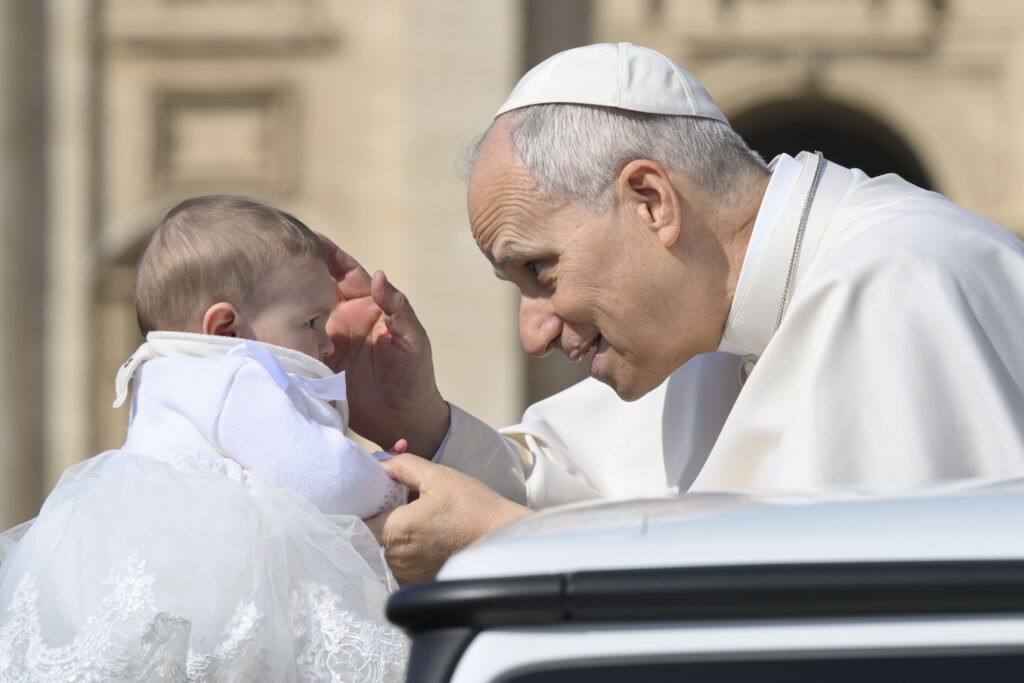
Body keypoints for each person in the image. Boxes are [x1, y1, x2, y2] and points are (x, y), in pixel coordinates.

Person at [332, 43, 1024, 585]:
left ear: (653, 200)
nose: (534, 332)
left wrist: (507, 547)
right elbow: (583, 496)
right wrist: (419, 419)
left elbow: (863, 614)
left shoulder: (900, 284)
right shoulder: (720, 322)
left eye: (539, 270)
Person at [0, 196, 408, 681]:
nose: (327, 342)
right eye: (312, 322)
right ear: (225, 328)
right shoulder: (235, 374)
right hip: (224, 564)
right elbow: (324, 476)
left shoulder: (161, 373)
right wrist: (388, 482)